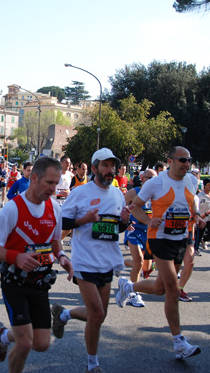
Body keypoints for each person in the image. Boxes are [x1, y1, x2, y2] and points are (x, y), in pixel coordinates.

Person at [0, 157, 73, 373]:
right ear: (34, 178)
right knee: (24, 343)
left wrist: (61, 257)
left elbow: (54, 241)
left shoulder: (54, 208)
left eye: (56, 183)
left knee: (41, 343)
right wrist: (16, 257)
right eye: (49, 183)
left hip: (40, 283)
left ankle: (3, 336)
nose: (53, 189)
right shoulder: (13, 209)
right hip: (15, 283)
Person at [117, 146, 205, 359]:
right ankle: (179, 342)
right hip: (159, 239)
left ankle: (128, 286)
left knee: (160, 289)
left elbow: (192, 201)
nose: (186, 164)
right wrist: (148, 221)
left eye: (189, 160)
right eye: (182, 160)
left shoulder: (192, 181)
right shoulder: (156, 182)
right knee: (173, 289)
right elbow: (134, 207)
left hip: (180, 238)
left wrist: (197, 216)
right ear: (170, 161)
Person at [50, 148, 131, 373]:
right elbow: (62, 222)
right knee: (96, 314)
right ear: (94, 168)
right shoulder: (80, 192)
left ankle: (63, 314)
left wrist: (124, 221)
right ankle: (92, 364)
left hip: (108, 261)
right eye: (105, 166)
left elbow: (116, 228)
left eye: (112, 166)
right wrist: (83, 219)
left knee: (99, 316)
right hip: (85, 262)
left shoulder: (117, 194)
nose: (110, 170)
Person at [122, 168, 157, 307]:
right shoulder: (133, 192)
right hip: (134, 228)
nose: (154, 182)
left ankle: (120, 263)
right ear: (142, 178)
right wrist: (126, 223)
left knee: (142, 264)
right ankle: (133, 294)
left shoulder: (157, 193)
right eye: (151, 178)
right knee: (139, 260)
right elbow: (120, 206)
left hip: (149, 231)